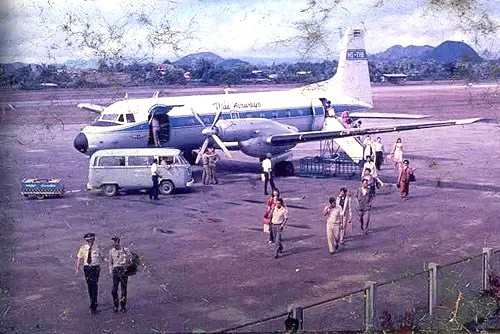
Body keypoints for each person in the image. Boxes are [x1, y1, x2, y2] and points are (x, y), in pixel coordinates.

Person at [75, 233, 103, 314]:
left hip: (96, 267)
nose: (90, 241)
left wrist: (109, 262)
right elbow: (79, 258)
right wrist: (77, 268)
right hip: (87, 268)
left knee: (94, 285)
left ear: (93, 240)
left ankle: (94, 304)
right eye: (88, 240)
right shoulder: (83, 248)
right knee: (90, 286)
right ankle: (93, 302)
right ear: (86, 241)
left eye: (91, 240)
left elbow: (102, 256)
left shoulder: (97, 247)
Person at [109, 236, 131, 313]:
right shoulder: (111, 251)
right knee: (114, 290)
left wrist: (126, 264)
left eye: (116, 242)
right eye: (113, 242)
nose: (115, 244)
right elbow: (110, 262)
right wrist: (110, 271)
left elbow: (130, 260)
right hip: (115, 270)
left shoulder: (125, 250)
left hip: (123, 270)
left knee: (123, 290)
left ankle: (123, 306)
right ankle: (116, 305)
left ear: (119, 242)